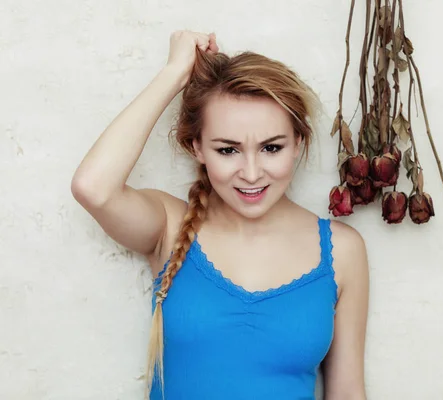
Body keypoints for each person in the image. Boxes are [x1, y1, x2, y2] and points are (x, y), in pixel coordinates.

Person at [71, 30, 369, 400]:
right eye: (228, 150)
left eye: (271, 147)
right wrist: (175, 73)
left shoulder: (342, 250)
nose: (251, 172)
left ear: (299, 143)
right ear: (196, 147)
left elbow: (347, 392)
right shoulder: (170, 226)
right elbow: (93, 188)